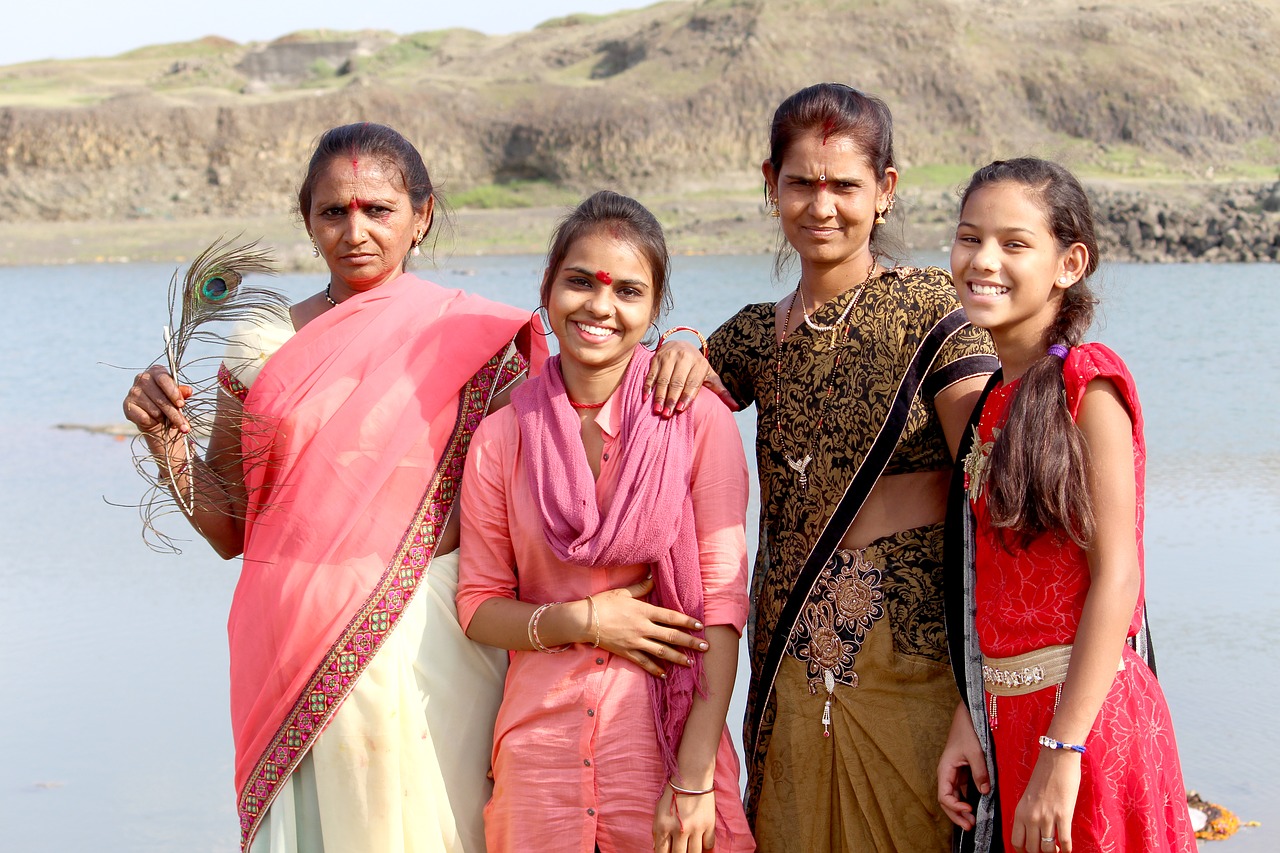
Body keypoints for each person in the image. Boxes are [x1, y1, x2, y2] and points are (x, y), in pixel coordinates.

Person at [122, 122, 551, 853]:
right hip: (290, 633)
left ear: (422, 216)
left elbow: (545, 490)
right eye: (334, 211)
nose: (355, 230)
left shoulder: (477, 337)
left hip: (429, 636)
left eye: (378, 210)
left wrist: (685, 351)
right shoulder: (263, 343)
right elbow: (229, 530)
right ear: (307, 218)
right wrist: (168, 445)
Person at [649, 83, 1000, 851]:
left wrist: (981, 700)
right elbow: (649, 412)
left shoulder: (933, 313)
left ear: (886, 191)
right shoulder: (751, 338)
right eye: (802, 182)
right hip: (790, 673)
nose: (822, 205)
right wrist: (676, 338)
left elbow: (997, 478)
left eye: (845, 184)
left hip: (913, 670)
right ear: (770, 183)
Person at [455, 190, 755, 853]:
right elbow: (478, 604)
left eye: (627, 290)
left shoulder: (695, 421)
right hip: (538, 755)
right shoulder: (503, 437)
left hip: (658, 748)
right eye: (581, 281)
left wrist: (696, 778)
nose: (600, 306)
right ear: (548, 286)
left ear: (652, 311)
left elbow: (722, 608)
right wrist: (583, 620)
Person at [936, 157, 1196, 853]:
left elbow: (1118, 575)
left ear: (1069, 262)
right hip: (1010, 723)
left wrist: (1064, 748)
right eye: (970, 238)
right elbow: (992, 586)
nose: (983, 260)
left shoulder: (1089, 384)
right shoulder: (992, 402)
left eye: (1014, 244)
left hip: (1087, 727)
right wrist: (972, 710)